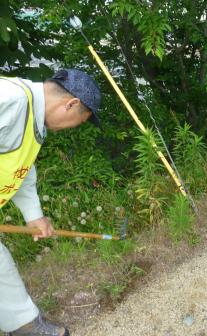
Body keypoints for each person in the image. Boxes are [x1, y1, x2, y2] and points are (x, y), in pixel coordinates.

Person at [0, 69, 101, 335]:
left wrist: (34, 215)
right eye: (79, 121)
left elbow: (21, 168)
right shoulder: (9, 99)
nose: (74, 127)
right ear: (71, 104)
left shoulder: (31, 119)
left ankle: (24, 326)